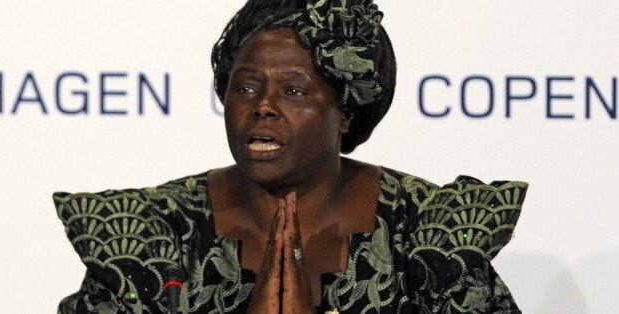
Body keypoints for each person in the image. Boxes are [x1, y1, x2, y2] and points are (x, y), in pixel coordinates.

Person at [54, 0, 528, 313]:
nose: (262, 106)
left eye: (294, 90)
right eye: (245, 87)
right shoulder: (149, 236)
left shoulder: (430, 237)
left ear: (345, 112)